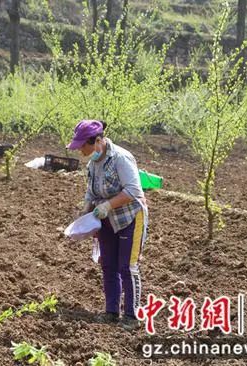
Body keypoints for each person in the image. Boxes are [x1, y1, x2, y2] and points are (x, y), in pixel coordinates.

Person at [67, 119, 148, 330]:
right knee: (108, 264)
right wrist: (85, 210)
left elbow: (133, 191)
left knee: (127, 266)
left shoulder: (121, 158)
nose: (81, 151)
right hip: (106, 218)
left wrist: (108, 206)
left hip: (129, 216)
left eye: (83, 146)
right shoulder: (92, 163)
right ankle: (111, 312)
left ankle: (132, 315)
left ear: (97, 141)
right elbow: (91, 191)